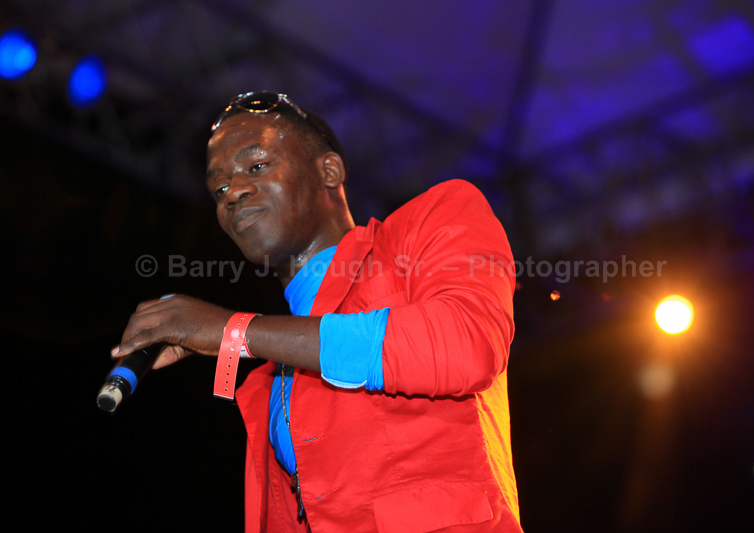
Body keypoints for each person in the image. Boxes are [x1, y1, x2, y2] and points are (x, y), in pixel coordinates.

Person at [112, 92, 523, 532]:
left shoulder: (432, 219)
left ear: (329, 171)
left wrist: (235, 332)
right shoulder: (271, 378)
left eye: (257, 166)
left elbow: (464, 345)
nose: (234, 193)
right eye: (219, 188)